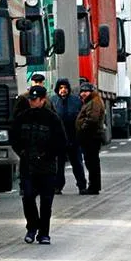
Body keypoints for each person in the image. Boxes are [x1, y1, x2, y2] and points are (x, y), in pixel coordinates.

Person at [9, 86, 67, 245]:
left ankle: (44, 233)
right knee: (27, 197)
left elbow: (61, 142)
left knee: (46, 202)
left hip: (47, 168)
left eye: (35, 100)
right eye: (30, 99)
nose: (32, 102)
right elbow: (13, 138)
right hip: (28, 166)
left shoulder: (53, 119)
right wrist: (21, 152)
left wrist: (48, 155)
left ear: (43, 100)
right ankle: (32, 227)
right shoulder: (23, 117)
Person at [51, 79, 86, 194]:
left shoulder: (76, 101)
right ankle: (57, 186)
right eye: (61, 88)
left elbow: (81, 117)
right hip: (59, 138)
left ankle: (82, 185)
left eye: (65, 88)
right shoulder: (53, 101)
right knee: (58, 165)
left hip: (73, 137)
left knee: (77, 163)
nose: (63, 90)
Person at [74, 83, 106, 195]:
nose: (83, 93)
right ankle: (94, 186)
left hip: (92, 137)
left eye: (86, 91)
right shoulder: (90, 101)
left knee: (92, 163)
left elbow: (92, 120)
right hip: (90, 137)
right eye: (82, 91)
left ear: (91, 92)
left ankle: (94, 186)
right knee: (91, 162)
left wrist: (82, 129)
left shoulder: (94, 102)